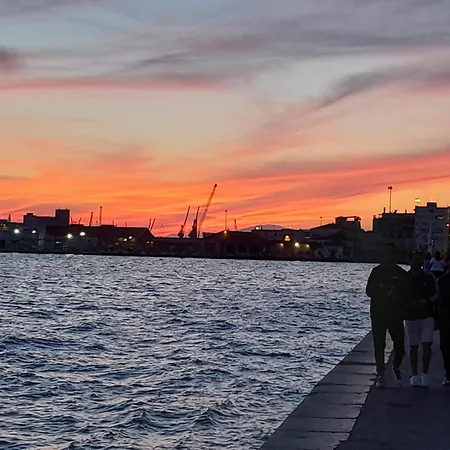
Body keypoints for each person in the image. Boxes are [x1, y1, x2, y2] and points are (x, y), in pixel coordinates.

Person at [366, 242, 406, 388]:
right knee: (379, 345)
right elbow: (369, 292)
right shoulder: (376, 272)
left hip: (396, 314)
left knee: (400, 345)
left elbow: (407, 293)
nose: (389, 255)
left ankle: (396, 366)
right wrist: (382, 290)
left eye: (391, 252)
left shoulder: (401, 273)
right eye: (387, 252)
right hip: (378, 314)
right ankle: (381, 373)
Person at [404, 250, 438, 387]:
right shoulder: (405, 278)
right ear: (410, 261)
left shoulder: (429, 278)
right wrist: (408, 303)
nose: (418, 262)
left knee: (426, 345)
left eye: (420, 259)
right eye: (415, 259)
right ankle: (414, 374)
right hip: (411, 317)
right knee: (413, 347)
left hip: (427, 316)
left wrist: (426, 301)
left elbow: (435, 294)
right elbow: (401, 295)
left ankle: (425, 373)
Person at [437, 263, 450, 386]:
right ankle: (448, 373)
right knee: (445, 346)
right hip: (445, 318)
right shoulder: (442, 281)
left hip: (444, 317)